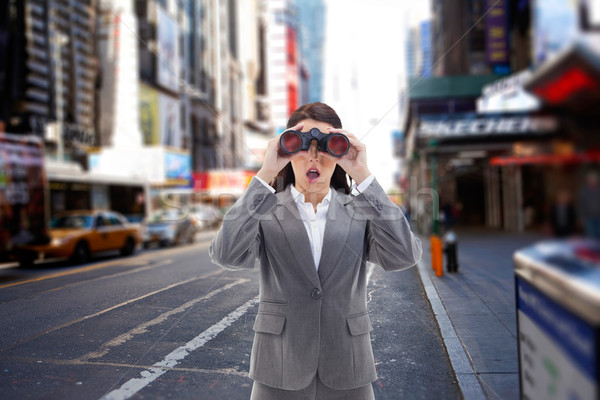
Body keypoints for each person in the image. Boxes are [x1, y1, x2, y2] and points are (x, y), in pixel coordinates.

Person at [209, 102, 422, 400]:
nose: (313, 156)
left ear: (340, 150)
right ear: (285, 149)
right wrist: (266, 172)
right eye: (300, 145)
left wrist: (364, 176)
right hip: (278, 366)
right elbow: (226, 254)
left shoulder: (359, 209)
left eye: (325, 145)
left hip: (348, 366)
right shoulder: (266, 209)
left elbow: (404, 255)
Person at [579, 171, 600, 239]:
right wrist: (581, 217)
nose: (593, 181)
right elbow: (581, 205)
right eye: (591, 180)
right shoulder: (584, 191)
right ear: (588, 181)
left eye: (594, 179)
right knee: (590, 236)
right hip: (588, 218)